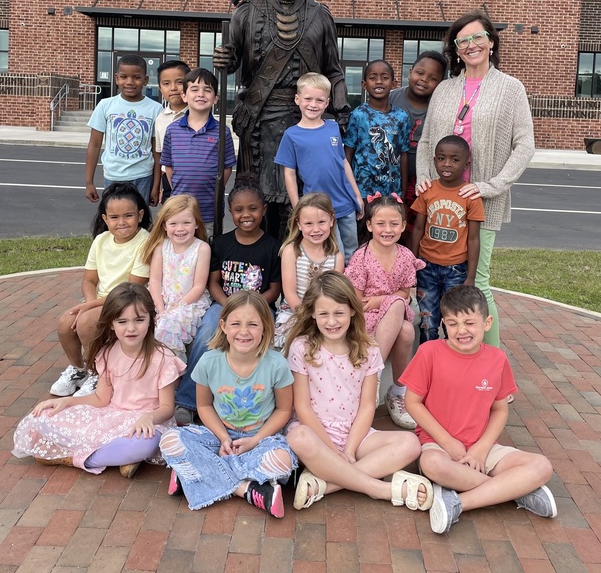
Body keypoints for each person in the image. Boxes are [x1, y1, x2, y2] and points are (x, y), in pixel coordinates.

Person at [213, 0, 349, 239]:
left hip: (307, 121)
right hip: (258, 121)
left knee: (302, 198)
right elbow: (235, 62)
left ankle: (298, 262)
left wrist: (340, 114)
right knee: (258, 197)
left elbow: (334, 71)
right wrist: (226, 58)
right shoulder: (246, 13)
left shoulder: (320, 16)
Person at [416, 12, 535, 347]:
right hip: (440, 202)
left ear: (491, 41)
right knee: (435, 282)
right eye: (462, 40)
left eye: (477, 37)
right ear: (455, 49)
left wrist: (491, 186)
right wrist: (425, 177)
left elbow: (525, 144)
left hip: (481, 202)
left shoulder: (511, 88)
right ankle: (445, 359)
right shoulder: (445, 89)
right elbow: (427, 141)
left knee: (476, 284)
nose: (471, 45)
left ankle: (492, 371)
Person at [401, 285, 556, 534]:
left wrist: (482, 449)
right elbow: (412, 403)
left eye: (469, 322)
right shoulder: (429, 352)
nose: (461, 330)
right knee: (433, 465)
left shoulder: (497, 359)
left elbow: (500, 410)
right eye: (452, 323)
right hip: (438, 444)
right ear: (443, 325)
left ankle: (459, 502)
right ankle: (515, 492)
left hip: (483, 448)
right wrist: (448, 442)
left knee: (542, 466)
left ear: (487, 322)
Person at [284, 273, 433, 512]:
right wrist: (334, 451)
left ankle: (325, 484)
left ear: (353, 310)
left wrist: (350, 450)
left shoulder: (368, 349)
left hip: (355, 434)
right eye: (324, 314)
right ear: (312, 313)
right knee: (298, 438)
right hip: (316, 434)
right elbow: (302, 408)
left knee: (410, 443)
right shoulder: (302, 348)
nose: (332, 321)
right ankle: (381, 489)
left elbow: (366, 406)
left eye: (339, 313)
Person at [13, 283, 183, 478]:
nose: (131, 328)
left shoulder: (163, 358)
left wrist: (149, 418)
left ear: (151, 320)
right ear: (111, 323)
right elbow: (101, 399)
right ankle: (119, 457)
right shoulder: (108, 353)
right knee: (43, 417)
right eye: (122, 321)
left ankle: (78, 458)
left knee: (146, 443)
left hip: (148, 421)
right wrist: (66, 401)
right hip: (112, 416)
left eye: (139, 320)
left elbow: (167, 407)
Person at [160, 291, 297, 517]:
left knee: (282, 461)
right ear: (223, 326)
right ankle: (245, 489)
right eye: (236, 324)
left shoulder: (276, 364)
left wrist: (255, 440)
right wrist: (223, 437)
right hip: (217, 437)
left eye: (253, 324)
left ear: (265, 326)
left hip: (260, 439)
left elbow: (284, 410)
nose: (244, 331)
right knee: (170, 440)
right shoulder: (209, 361)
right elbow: (203, 407)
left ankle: (194, 473)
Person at [174, 175, 282, 422]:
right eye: (239, 209)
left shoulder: (273, 246)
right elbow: (213, 283)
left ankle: (261, 407)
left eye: (253, 209)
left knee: (267, 338)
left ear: (263, 210)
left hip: (261, 308)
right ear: (230, 212)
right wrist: (228, 306)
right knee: (207, 331)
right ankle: (188, 400)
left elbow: (274, 290)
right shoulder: (220, 243)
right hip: (222, 305)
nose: (247, 214)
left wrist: (251, 309)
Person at [51, 183, 151, 397]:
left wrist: (89, 308)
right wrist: (89, 303)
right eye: (114, 217)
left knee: (87, 322)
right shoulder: (101, 240)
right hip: (98, 302)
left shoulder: (145, 242)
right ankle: (79, 369)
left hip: (128, 301)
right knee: (65, 323)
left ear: (140, 215)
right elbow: (89, 280)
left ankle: (100, 374)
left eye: (128, 216)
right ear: (105, 219)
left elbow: (133, 285)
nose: (121, 222)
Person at [344, 194, 423, 430]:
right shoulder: (362, 257)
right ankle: (384, 382)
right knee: (406, 330)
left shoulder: (406, 256)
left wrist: (381, 299)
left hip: (393, 314)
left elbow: (405, 293)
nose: (387, 230)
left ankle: (388, 386)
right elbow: (357, 301)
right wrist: (389, 300)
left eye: (393, 224)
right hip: (364, 319)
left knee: (401, 313)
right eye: (380, 224)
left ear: (403, 226)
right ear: (369, 225)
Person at [274, 72, 363, 262]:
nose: (313, 104)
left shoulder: (332, 128)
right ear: (297, 99)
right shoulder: (292, 135)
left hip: (345, 203)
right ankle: (335, 289)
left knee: (352, 253)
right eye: (308, 99)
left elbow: (343, 162)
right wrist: (298, 206)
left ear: (326, 102)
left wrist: (356, 195)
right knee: (334, 255)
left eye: (319, 100)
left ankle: (352, 290)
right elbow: (289, 174)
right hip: (318, 209)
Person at [411, 135, 484, 341]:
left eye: (454, 159)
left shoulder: (470, 195)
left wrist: (470, 276)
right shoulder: (428, 191)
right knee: (428, 322)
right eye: (441, 158)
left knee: (454, 321)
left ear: (466, 164)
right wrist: (413, 263)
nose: (447, 164)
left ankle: (453, 362)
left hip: (456, 270)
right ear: (434, 160)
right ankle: (429, 361)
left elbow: (473, 239)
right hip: (426, 268)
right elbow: (417, 229)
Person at [159, 67, 236, 239]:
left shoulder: (222, 131)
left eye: (207, 90)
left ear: (215, 98)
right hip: (180, 210)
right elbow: (169, 167)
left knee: (207, 253)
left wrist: (213, 189)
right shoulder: (172, 130)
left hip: (209, 211)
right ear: (184, 96)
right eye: (194, 89)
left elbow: (226, 168)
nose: (200, 94)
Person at [141, 195, 212, 362]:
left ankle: (170, 369)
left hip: (188, 303)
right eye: (173, 223)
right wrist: (160, 307)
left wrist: (174, 309)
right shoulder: (161, 247)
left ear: (196, 224)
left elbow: (198, 287)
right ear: (164, 225)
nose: (180, 229)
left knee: (167, 325)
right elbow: (155, 280)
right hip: (160, 299)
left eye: (186, 223)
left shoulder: (202, 249)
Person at [85, 54, 162, 206]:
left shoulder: (156, 109)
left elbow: (157, 150)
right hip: (113, 176)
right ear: (116, 78)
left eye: (136, 77)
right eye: (124, 77)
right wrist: (89, 182)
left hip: (143, 176)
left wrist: (156, 186)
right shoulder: (105, 105)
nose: (130, 82)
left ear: (145, 80)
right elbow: (94, 145)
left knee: (140, 223)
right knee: (115, 222)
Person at [274, 193, 345, 347]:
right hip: (295, 312)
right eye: (309, 223)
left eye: (321, 222)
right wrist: (308, 318)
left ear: (331, 220)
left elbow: (334, 295)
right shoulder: (291, 251)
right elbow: (290, 292)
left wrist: (322, 318)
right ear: (298, 224)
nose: (316, 229)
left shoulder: (337, 257)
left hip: (327, 314)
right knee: (299, 344)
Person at [389, 51, 447, 229]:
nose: (424, 80)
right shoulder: (391, 98)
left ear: (440, 84)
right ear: (410, 72)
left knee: (417, 226)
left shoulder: (442, 106)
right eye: (420, 73)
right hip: (391, 177)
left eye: (432, 78)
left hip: (424, 180)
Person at [344, 59, 410, 202]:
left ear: (394, 84)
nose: (379, 81)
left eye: (384, 77)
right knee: (364, 224)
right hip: (362, 190)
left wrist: (403, 190)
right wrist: (347, 187)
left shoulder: (402, 117)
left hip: (392, 190)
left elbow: (403, 154)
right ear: (364, 84)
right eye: (373, 78)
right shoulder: (358, 115)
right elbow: (348, 153)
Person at [154, 59, 190, 202]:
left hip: (193, 177)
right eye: (166, 83)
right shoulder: (160, 119)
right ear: (160, 88)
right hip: (168, 179)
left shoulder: (198, 115)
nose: (173, 88)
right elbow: (160, 154)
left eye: (179, 82)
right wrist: (159, 186)